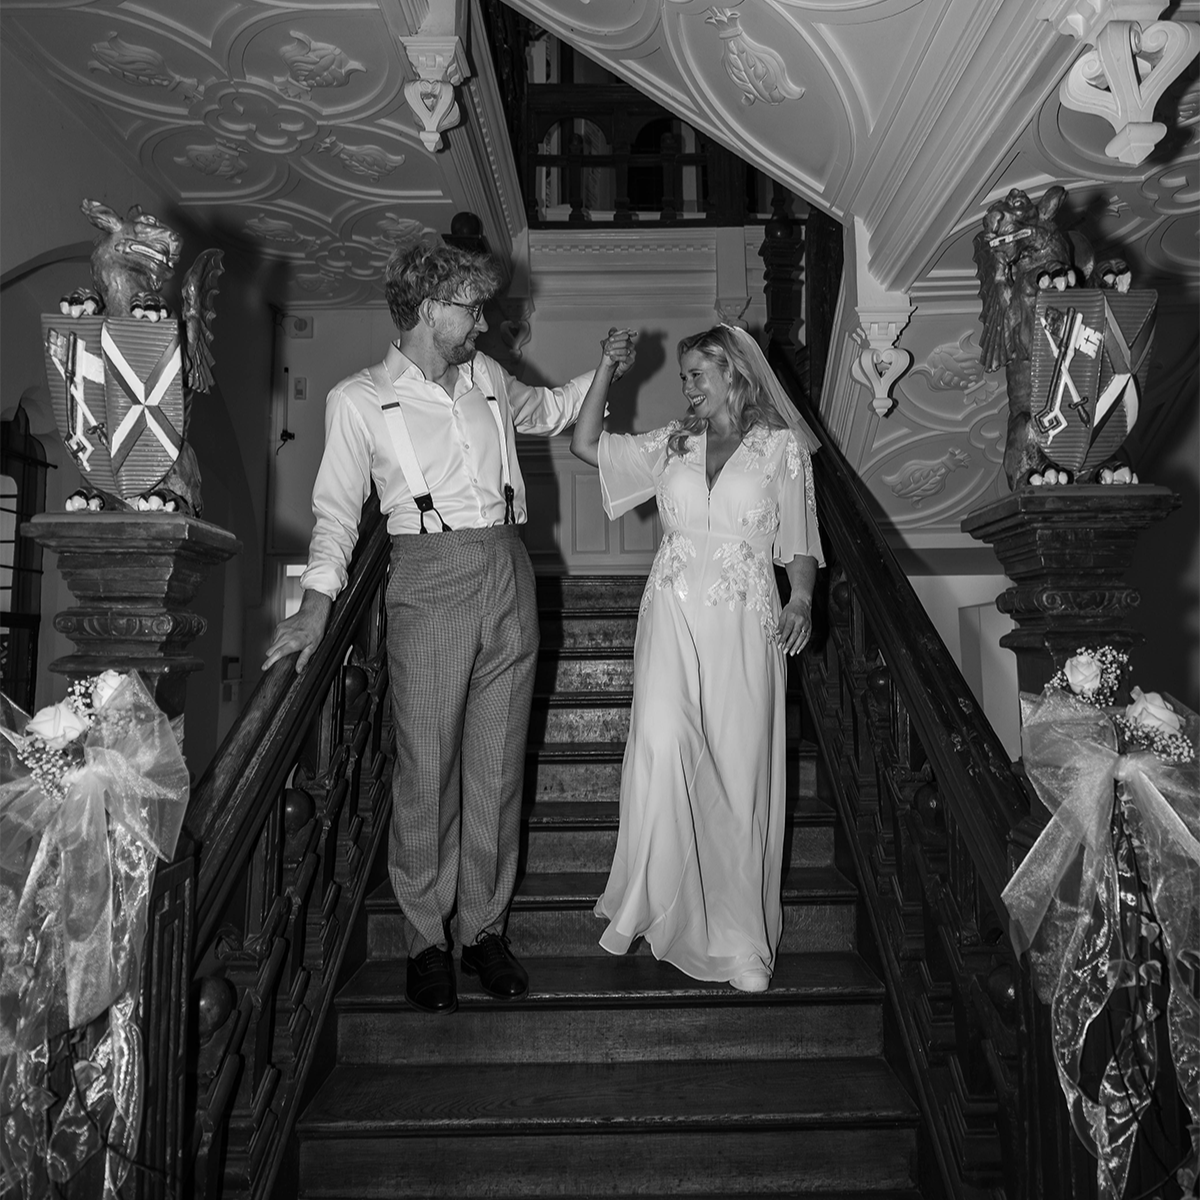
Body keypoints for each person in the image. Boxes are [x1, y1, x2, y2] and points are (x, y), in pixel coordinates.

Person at [263, 241, 633, 1014]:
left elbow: (556, 409)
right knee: (426, 773)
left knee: (496, 770)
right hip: (427, 580)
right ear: (431, 309)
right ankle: (427, 940)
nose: (484, 321)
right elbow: (335, 512)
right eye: (471, 307)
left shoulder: (490, 380)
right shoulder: (357, 399)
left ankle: (484, 932)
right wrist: (316, 603)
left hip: (509, 570)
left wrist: (605, 368)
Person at [570, 323, 823, 993]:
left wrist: (801, 600)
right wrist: (605, 369)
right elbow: (585, 443)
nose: (686, 384)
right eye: (683, 374)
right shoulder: (672, 443)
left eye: (696, 372)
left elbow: (800, 540)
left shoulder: (781, 450)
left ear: (735, 371)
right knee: (658, 743)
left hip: (746, 621)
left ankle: (741, 941)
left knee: (739, 774)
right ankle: (650, 904)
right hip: (671, 614)